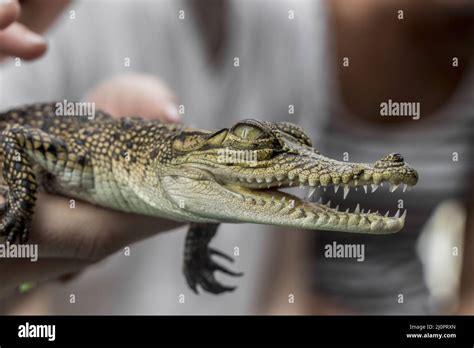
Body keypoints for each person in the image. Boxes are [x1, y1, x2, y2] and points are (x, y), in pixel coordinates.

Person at [1, 0, 473, 315]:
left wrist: (197, 245)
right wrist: (18, 223)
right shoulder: (60, 21)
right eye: (256, 143)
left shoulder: (291, 25)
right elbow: (12, 140)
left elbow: (275, 278)